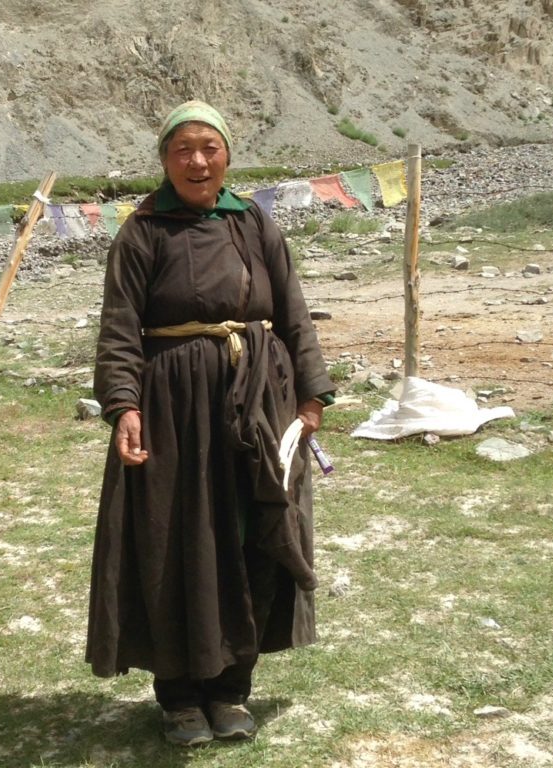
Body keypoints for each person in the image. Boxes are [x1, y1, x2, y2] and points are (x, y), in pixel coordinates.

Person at [86, 100, 335, 746]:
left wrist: (311, 396)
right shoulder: (143, 231)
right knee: (175, 542)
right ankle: (179, 698)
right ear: (165, 160)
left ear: (228, 155)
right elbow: (119, 332)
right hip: (172, 410)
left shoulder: (252, 223)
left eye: (210, 148)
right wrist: (124, 406)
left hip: (258, 402)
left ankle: (231, 690)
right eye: (183, 150)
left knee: (254, 534)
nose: (198, 161)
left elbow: (294, 313)